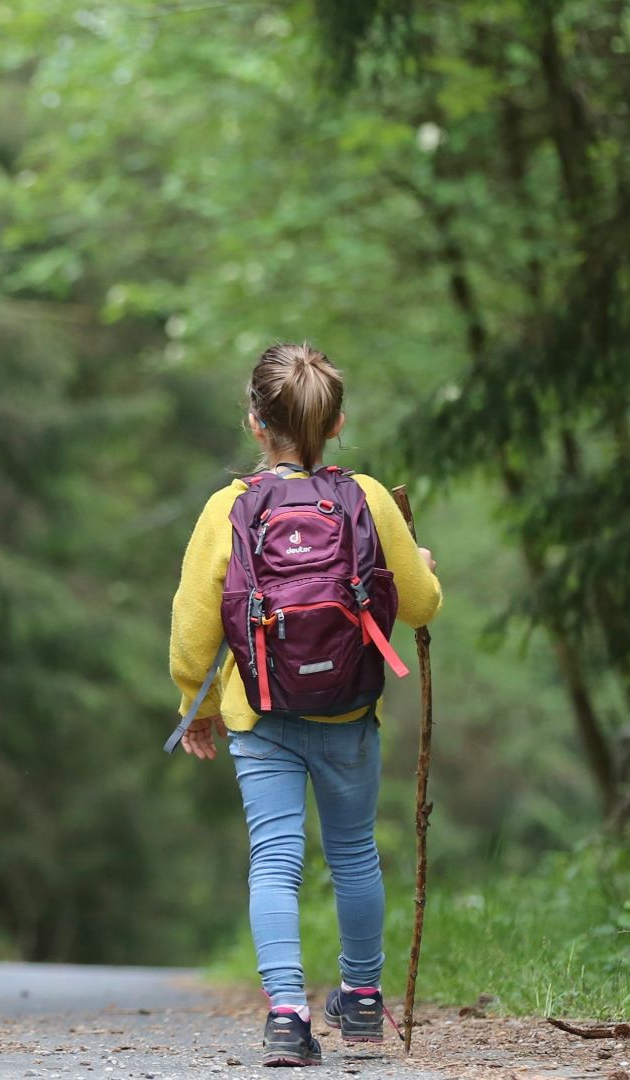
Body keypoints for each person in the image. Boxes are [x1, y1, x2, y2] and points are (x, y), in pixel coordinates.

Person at [168, 343, 440, 1067]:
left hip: (261, 716)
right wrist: (422, 564)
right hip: (349, 714)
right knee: (353, 855)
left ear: (255, 423)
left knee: (275, 861)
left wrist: (194, 708)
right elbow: (419, 603)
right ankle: (361, 1001)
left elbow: (193, 630)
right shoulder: (369, 499)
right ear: (338, 422)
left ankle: (287, 1015)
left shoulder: (228, 508)